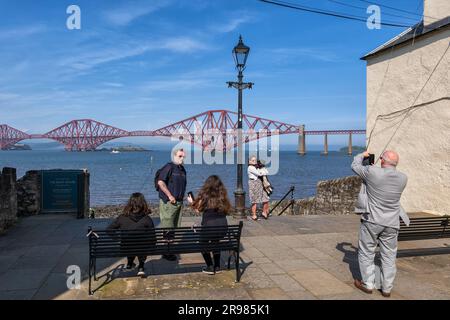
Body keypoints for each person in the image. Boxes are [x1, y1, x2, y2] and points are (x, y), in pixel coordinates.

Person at [351, 150, 408, 298]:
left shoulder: (372, 171)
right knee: (389, 256)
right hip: (392, 223)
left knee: (366, 251)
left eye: (381, 158)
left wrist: (362, 155)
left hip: (372, 220)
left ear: (382, 160)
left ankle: (368, 284)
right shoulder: (403, 178)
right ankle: (387, 288)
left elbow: (355, 165)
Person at [187, 175, 231, 275]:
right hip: (222, 228)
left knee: (202, 243)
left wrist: (191, 202)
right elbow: (227, 210)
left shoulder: (205, 195)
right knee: (215, 242)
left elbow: (198, 209)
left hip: (209, 228)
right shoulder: (223, 196)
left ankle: (210, 266)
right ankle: (217, 266)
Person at [107, 192, 155, 277]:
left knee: (130, 241)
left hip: (126, 248)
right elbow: (153, 237)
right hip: (142, 248)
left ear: (130, 203)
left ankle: (129, 263)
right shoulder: (147, 219)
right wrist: (151, 243)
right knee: (143, 243)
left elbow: (109, 230)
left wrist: (117, 239)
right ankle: (141, 266)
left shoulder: (122, 217)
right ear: (143, 204)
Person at [156, 148, 187, 261]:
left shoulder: (182, 169)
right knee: (167, 227)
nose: (182, 158)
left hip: (178, 202)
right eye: (180, 156)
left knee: (173, 227)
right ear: (174, 156)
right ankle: (166, 252)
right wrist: (169, 196)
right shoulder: (169, 167)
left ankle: (170, 249)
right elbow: (160, 182)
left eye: (183, 156)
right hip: (168, 202)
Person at [247, 156, 270, 220]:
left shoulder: (256, 167)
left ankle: (264, 212)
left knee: (265, 198)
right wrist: (262, 171)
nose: (254, 161)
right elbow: (259, 174)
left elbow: (266, 172)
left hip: (260, 183)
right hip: (253, 183)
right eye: (253, 160)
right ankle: (254, 215)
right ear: (249, 161)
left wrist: (262, 170)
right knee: (254, 200)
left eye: (255, 160)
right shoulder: (250, 167)